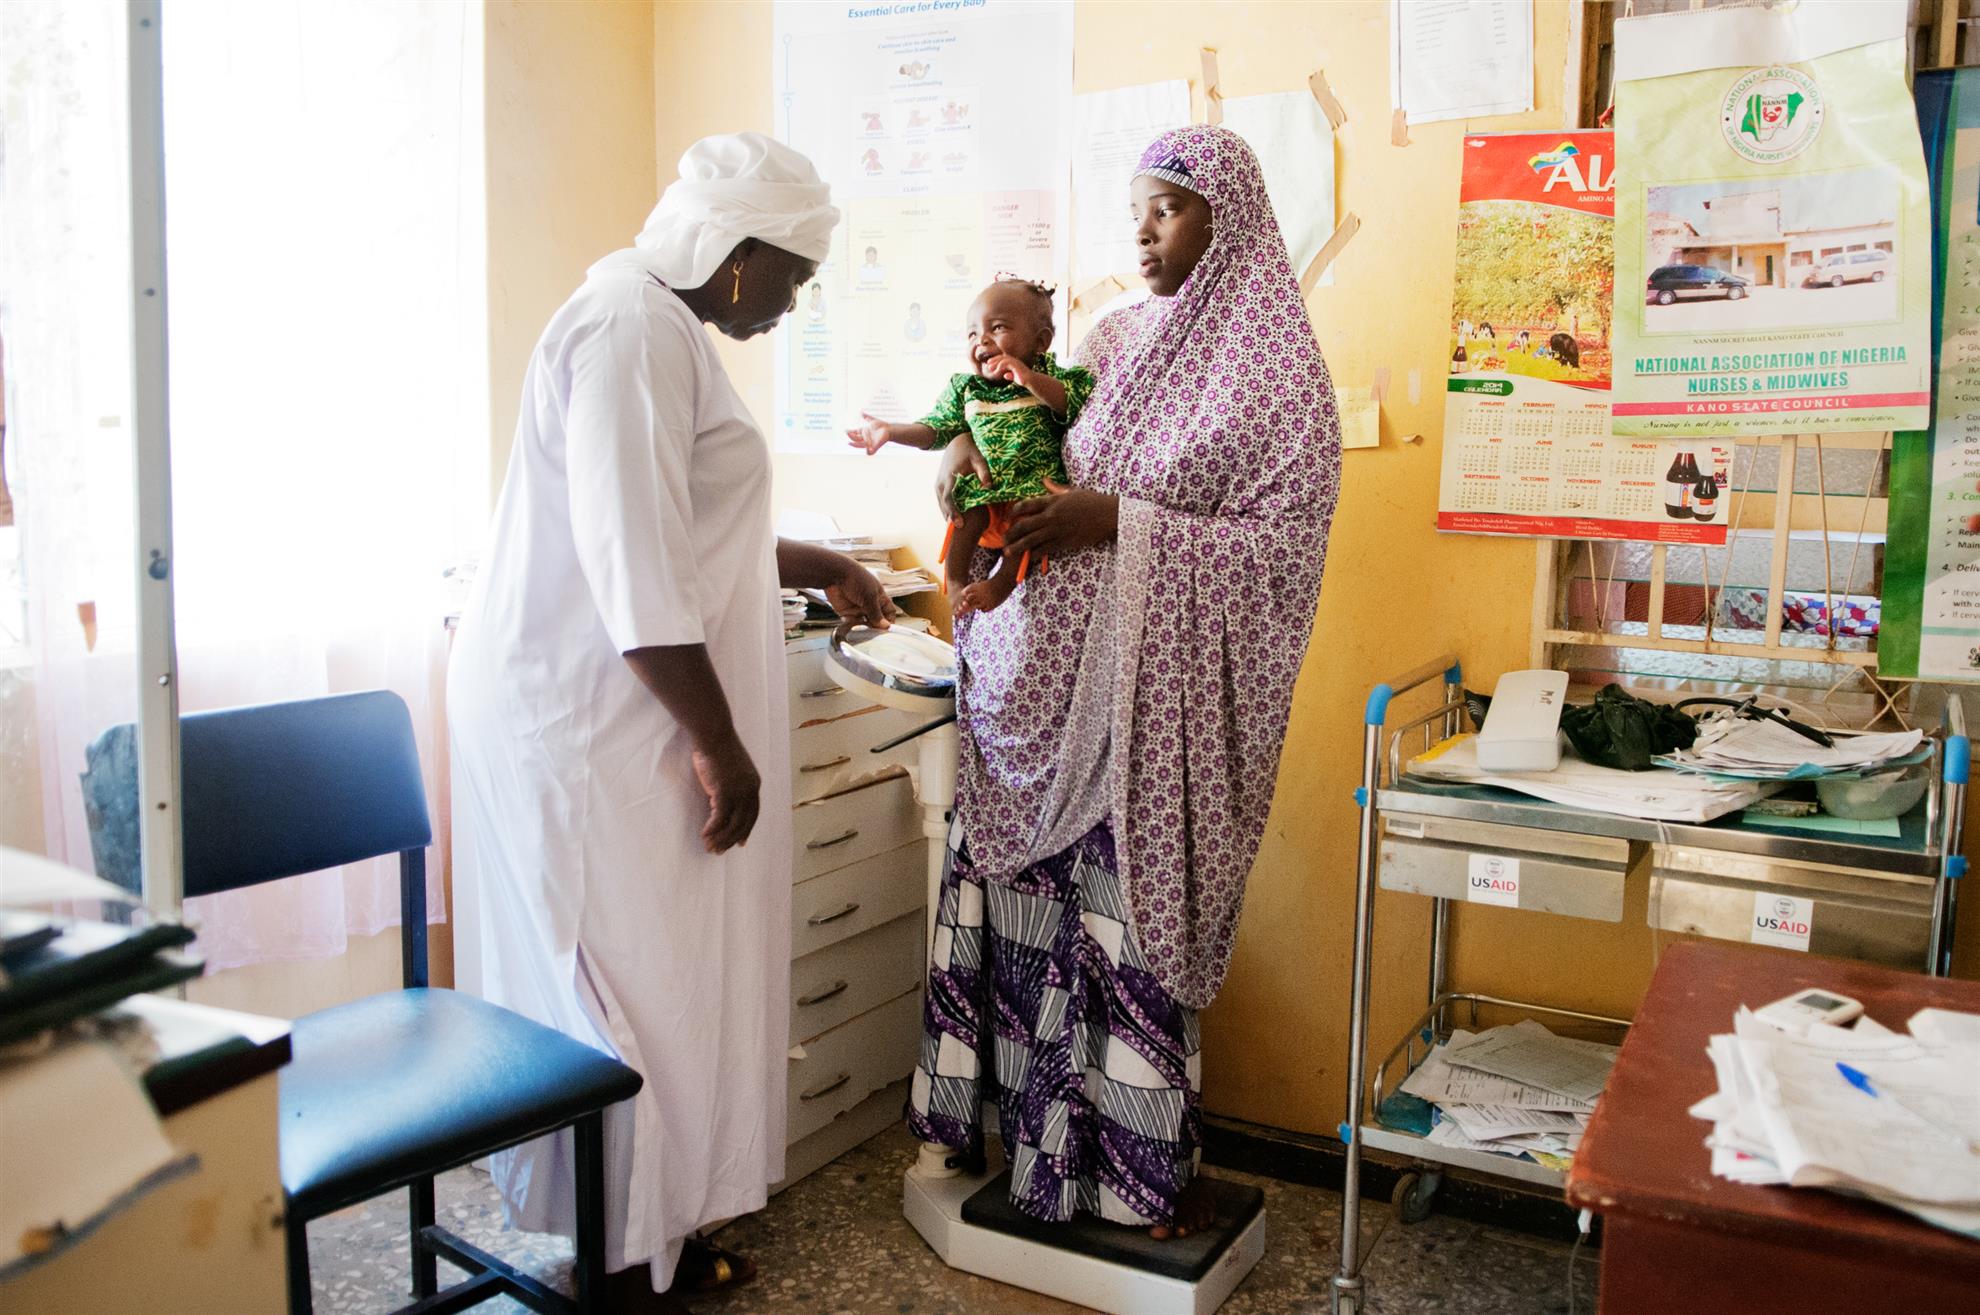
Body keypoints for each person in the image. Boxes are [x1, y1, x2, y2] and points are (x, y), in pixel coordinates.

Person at [448, 132, 892, 1315]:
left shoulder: (656, 327)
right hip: (587, 716)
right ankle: (619, 1259)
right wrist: (719, 739)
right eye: (792, 279)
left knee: (657, 980)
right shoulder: (631, 327)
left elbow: (671, 508)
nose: (791, 304)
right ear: (739, 258)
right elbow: (630, 558)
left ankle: (651, 1232)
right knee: (618, 993)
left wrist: (805, 558)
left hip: (609, 703)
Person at [905, 125, 1342, 1237]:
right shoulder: (1110, 340)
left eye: (1172, 207)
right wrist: (970, 473)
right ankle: (1034, 1162)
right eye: (1138, 208)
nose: (1145, 230)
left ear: (1228, 215)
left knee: (1128, 938)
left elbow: (1284, 550)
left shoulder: (1278, 371)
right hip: (1043, 687)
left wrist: (1120, 524)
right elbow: (1019, 449)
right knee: (1034, 930)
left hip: (1157, 719)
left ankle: (1137, 1175)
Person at [847, 279, 1095, 614]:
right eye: (972, 333)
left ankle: (1000, 584)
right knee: (964, 509)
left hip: (1032, 489)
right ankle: (954, 582)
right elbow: (934, 429)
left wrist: (1029, 378)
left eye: (997, 327)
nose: (982, 341)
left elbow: (1074, 402)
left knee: (1032, 526)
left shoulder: (1053, 379)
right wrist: (890, 431)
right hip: (985, 491)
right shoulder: (966, 389)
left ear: (1041, 341)